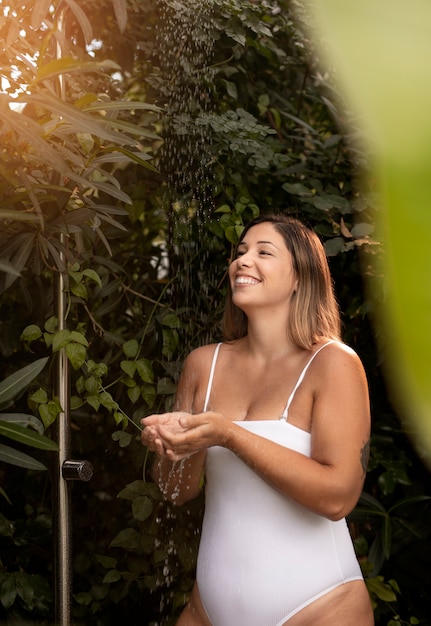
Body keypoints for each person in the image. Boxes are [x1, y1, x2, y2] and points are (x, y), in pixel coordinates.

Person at [141, 214, 374, 626]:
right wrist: (173, 448)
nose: (243, 261)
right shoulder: (203, 364)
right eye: (241, 252)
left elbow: (338, 497)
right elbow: (177, 492)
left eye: (264, 253)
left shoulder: (333, 364)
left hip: (320, 608)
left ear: (301, 277)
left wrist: (228, 434)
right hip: (207, 613)